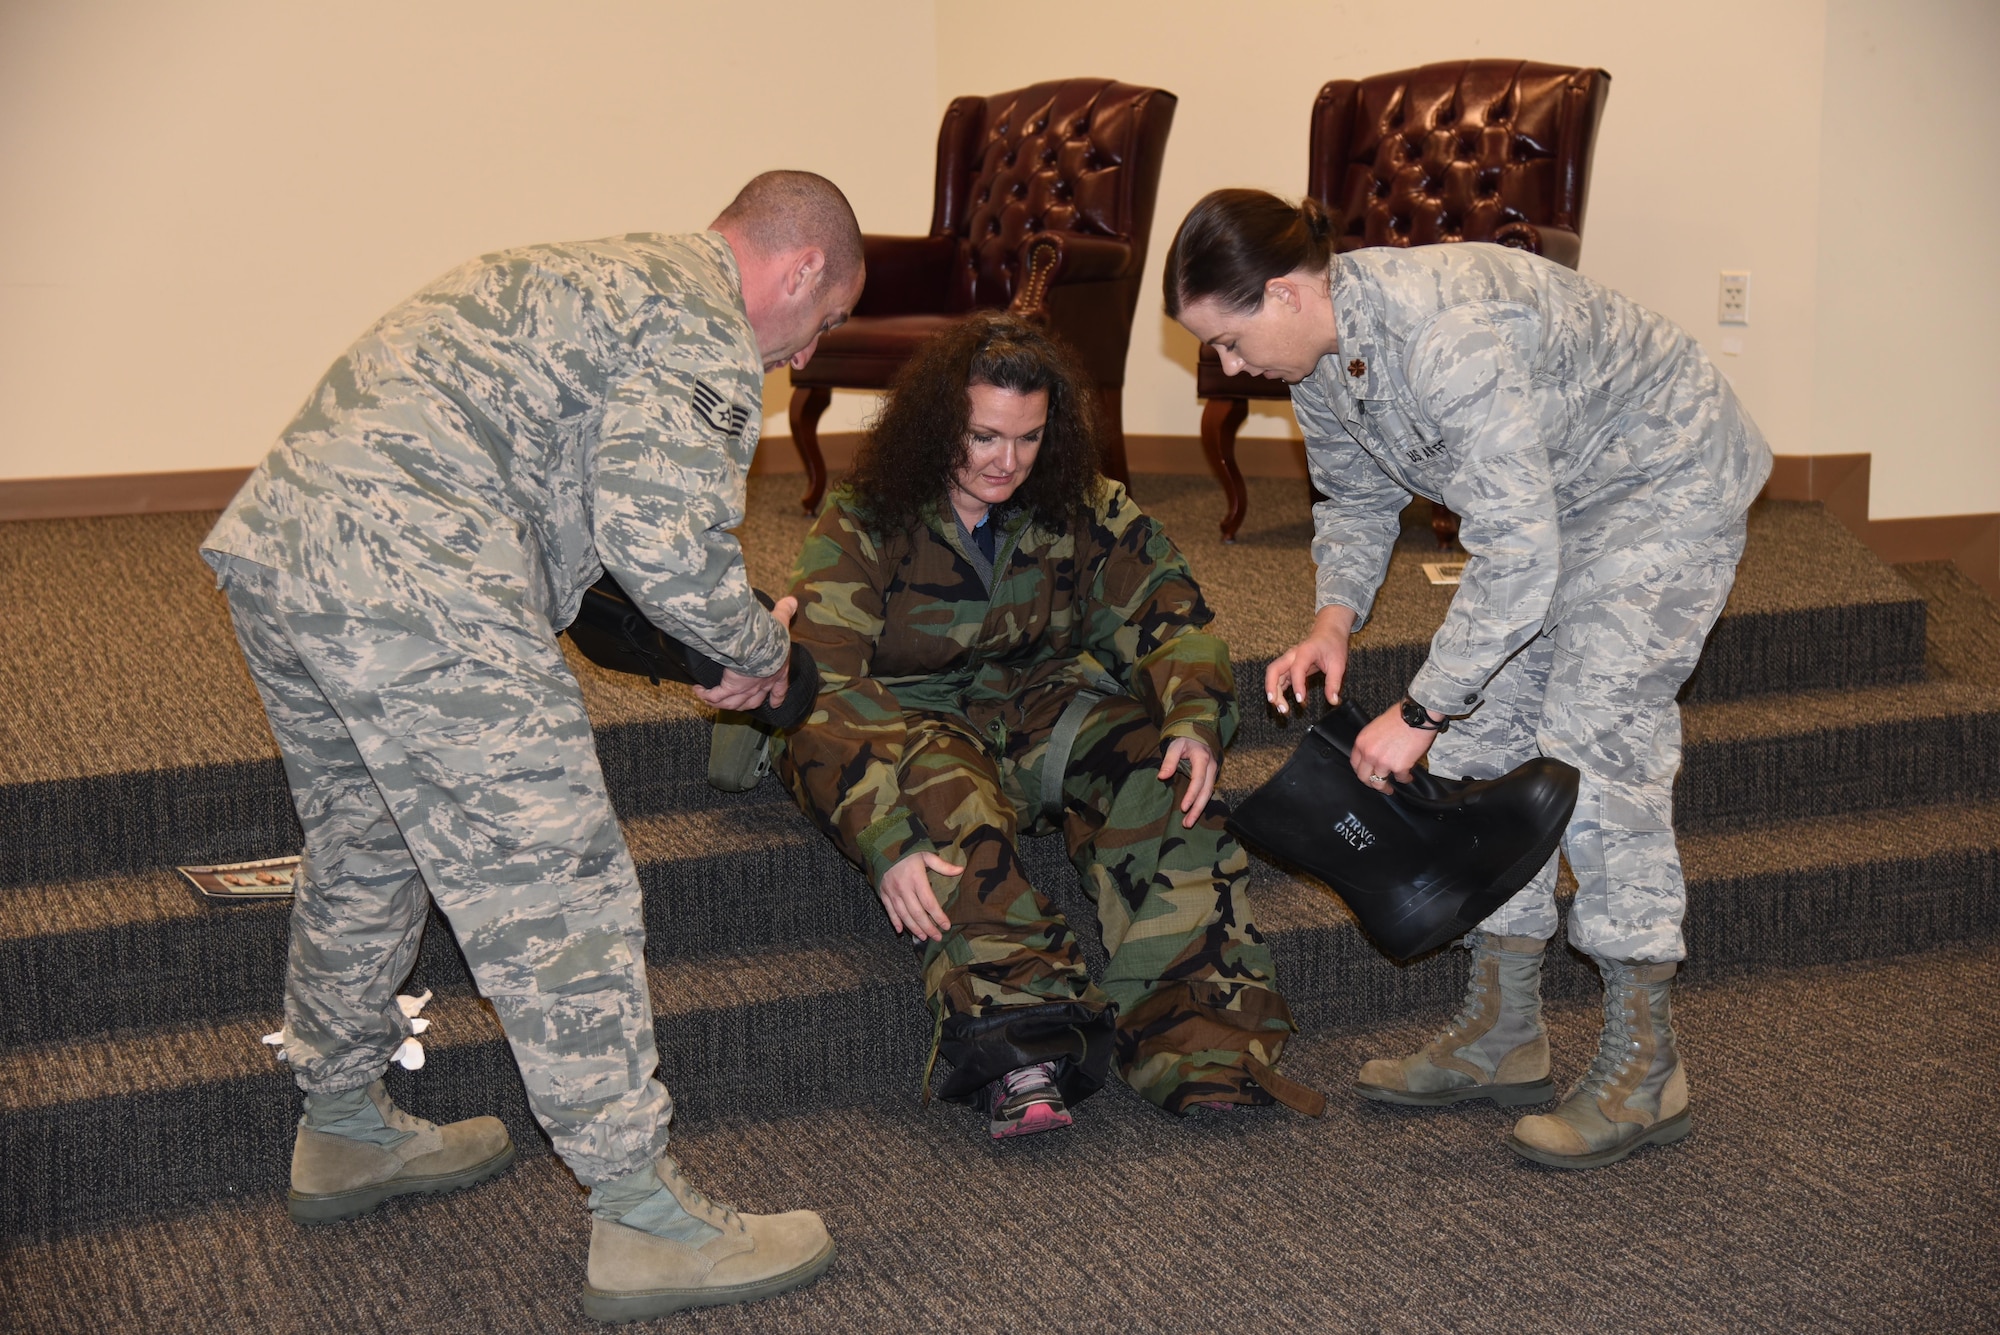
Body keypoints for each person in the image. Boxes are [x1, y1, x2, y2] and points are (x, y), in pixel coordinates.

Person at [202, 170, 862, 1322]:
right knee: (554, 878)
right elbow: (660, 538)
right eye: (828, 321)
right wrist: (755, 649)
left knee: (369, 843)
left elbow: (589, 555)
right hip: (418, 571)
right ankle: (644, 1218)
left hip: (290, 543)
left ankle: (345, 1125)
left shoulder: (593, 276)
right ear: (800, 267)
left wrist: (693, 653)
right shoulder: (702, 321)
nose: (807, 356)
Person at [1163, 190, 1772, 1169]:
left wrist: (1417, 709)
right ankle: (1503, 1035)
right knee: (1480, 751)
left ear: (1281, 295)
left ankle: (1645, 1067)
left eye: (1228, 342)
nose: (1227, 368)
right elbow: (1358, 500)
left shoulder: (1446, 339)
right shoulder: (1318, 353)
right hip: (1547, 509)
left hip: (1661, 485)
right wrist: (1331, 621)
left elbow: (1516, 558)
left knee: (1593, 749)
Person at [776, 312, 1318, 1140]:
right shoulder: (866, 516)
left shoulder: (1084, 505)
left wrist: (1195, 718)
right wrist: (883, 837)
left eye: (1028, 439)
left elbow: (1170, 613)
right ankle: (1020, 1042)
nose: (1006, 462)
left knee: (1160, 774)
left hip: (1042, 709)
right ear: (935, 426)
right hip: (914, 722)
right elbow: (821, 690)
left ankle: (1201, 1041)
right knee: (950, 805)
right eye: (984, 436)